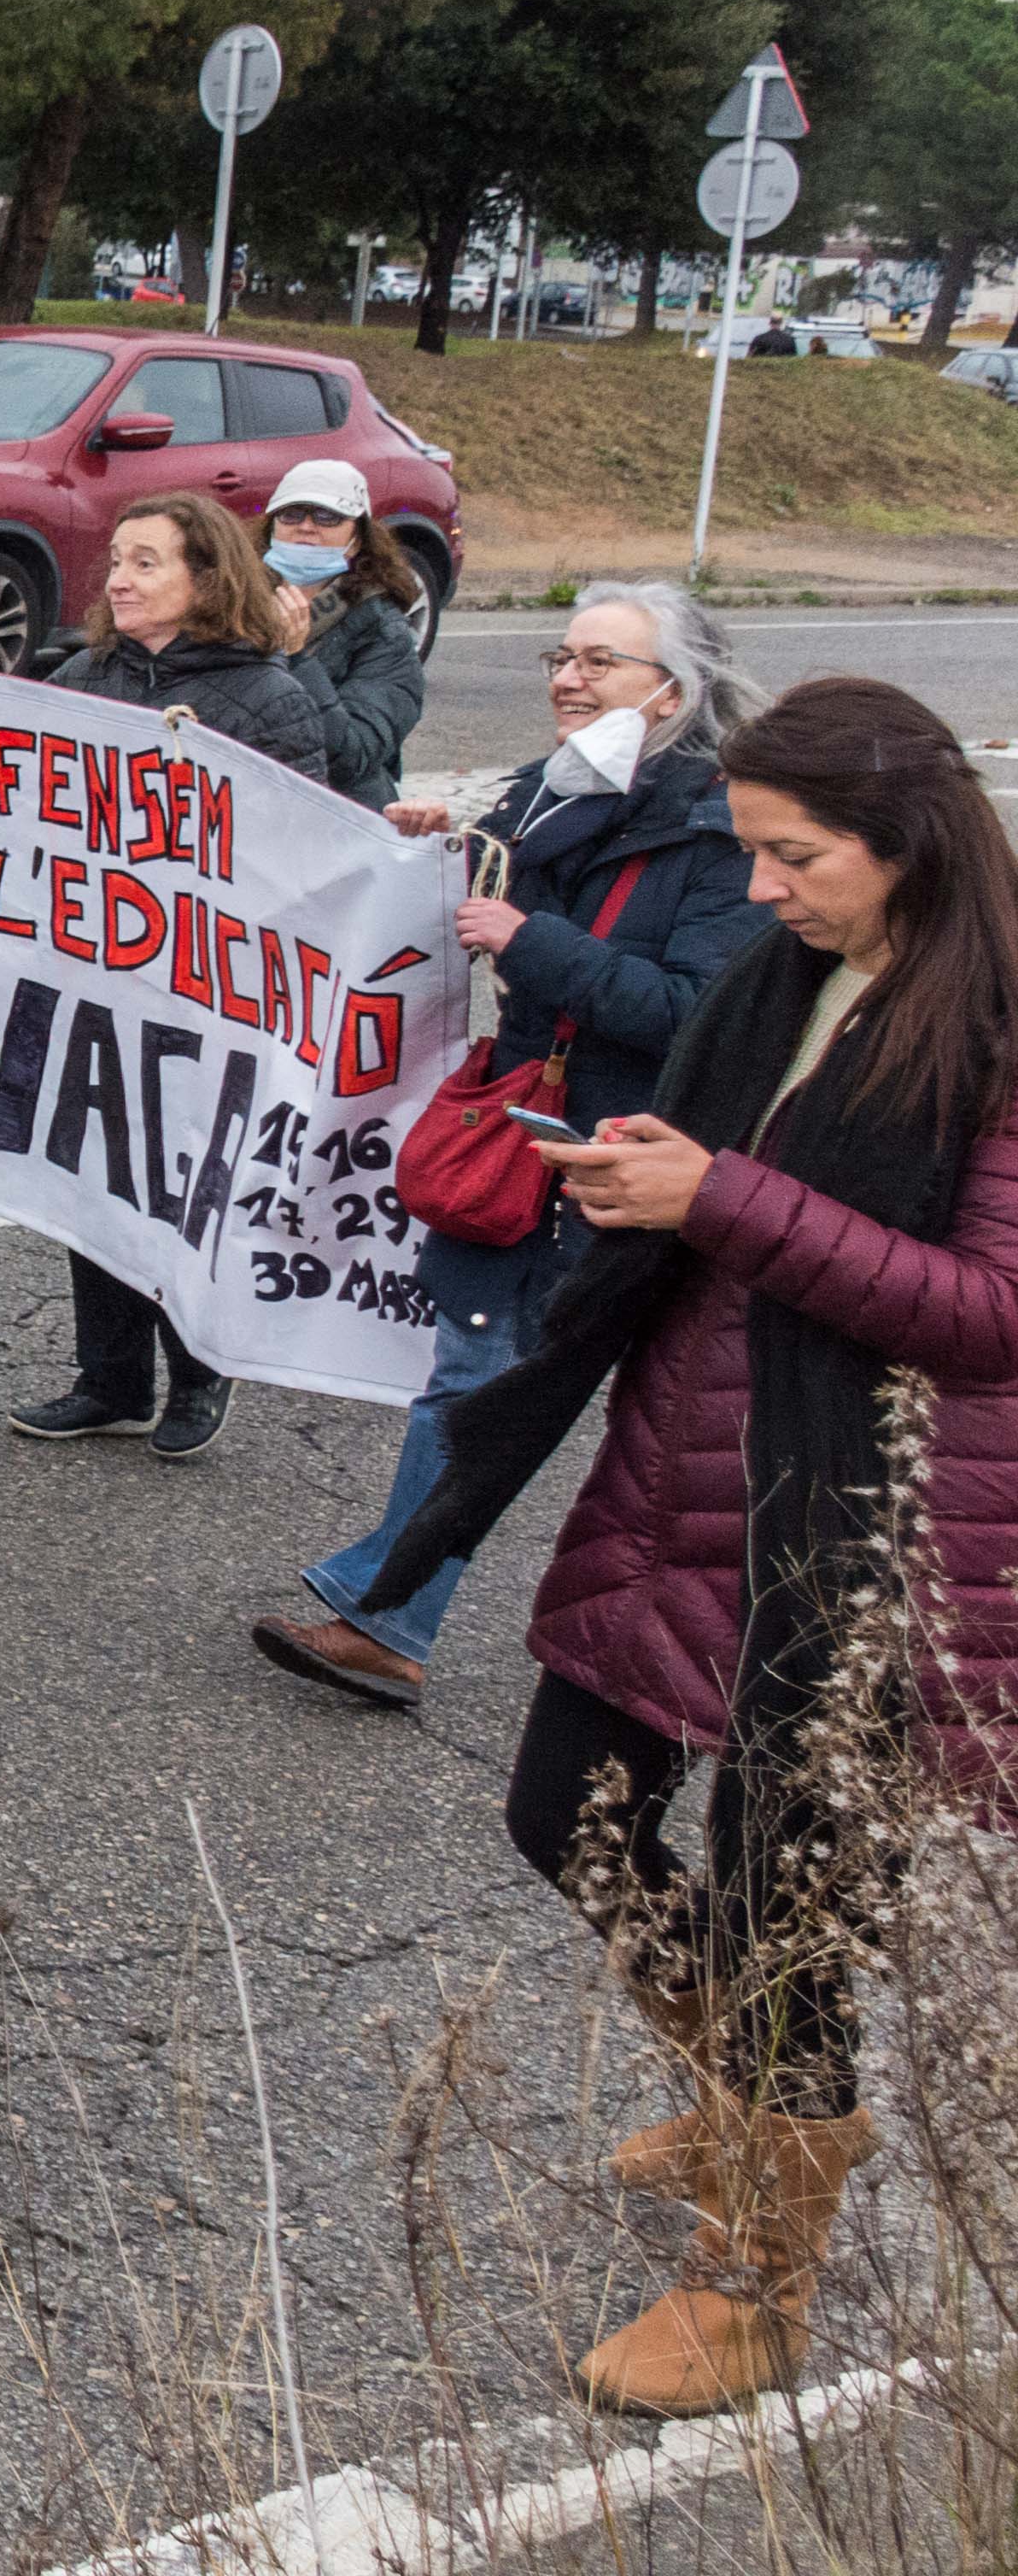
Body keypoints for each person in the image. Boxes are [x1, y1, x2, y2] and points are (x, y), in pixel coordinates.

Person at [358, 677, 1018, 2419]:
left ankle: (753, 2281)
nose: (771, 888)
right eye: (751, 851)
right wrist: (658, 1169)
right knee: (562, 1800)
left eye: (799, 856)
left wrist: (715, 1197)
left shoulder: (999, 1022)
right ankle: (760, 2097)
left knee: (793, 1906)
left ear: (912, 840)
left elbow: (987, 1311)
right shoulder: (784, 969)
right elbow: (742, 1172)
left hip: (886, 1534)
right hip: (697, 1460)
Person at [253, 585, 764, 1709]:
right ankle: (392, 1613)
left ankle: (399, 1620)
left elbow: (694, 1013)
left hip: (613, 1163)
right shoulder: (552, 794)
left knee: (498, 1385)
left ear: (671, 693)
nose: (567, 679)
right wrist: (448, 846)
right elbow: (501, 880)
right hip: (531, 1138)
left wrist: (535, 942)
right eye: (561, 655)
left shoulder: (721, 832)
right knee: (478, 1376)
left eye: (602, 663)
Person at [0, 492, 331, 1464]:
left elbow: (299, 850)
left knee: (181, 1181)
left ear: (207, 578)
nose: (120, 578)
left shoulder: (270, 698)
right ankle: (110, 1380)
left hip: (196, 990)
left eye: (148, 561)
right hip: (85, 976)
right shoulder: (85, 674)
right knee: (90, 1169)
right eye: (117, 560)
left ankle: (200, 1367)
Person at [262, 459, 427, 808]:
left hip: (336, 812)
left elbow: (353, 756)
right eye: (291, 514)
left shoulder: (385, 632)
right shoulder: (232, 604)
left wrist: (296, 658)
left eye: (327, 517)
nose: (306, 527)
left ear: (356, 540)